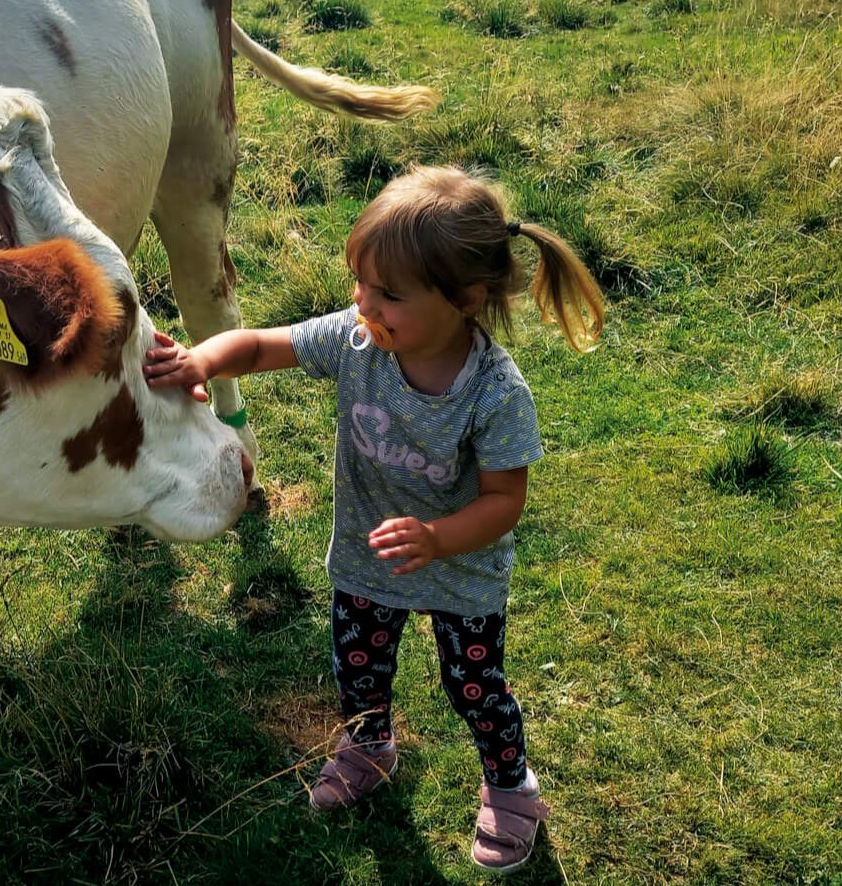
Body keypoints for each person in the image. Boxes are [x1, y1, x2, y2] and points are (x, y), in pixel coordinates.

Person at [144, 165, 605, 874]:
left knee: (475, 686)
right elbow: (266, 345)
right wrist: (200, 357)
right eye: (361, 282)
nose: (364, 302)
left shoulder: (496, 393)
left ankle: (511, 785)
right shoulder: (359, 343)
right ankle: (368, 745)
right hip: (367, 559)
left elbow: (504, 500)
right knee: (359, 664)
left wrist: (437, 538)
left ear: (464, 298)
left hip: (462, 570)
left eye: (388, 292)